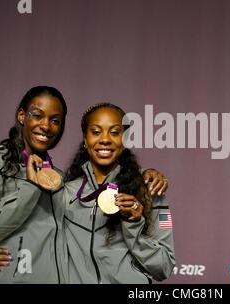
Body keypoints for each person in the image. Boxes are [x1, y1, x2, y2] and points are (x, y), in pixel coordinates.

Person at [0, 87, 168, 283]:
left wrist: (135, 214)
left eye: (55, 120)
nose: (46, 126)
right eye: (96, 131)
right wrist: (5, 255)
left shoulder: (60, 181)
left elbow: (164, 262)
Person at [61, 102, 175, 283]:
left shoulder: (151, 190)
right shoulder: (65, 193)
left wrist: (134, 223)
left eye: (114, 132)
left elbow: (165, 266)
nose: (105, 139)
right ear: (85, 139)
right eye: (96, 132)